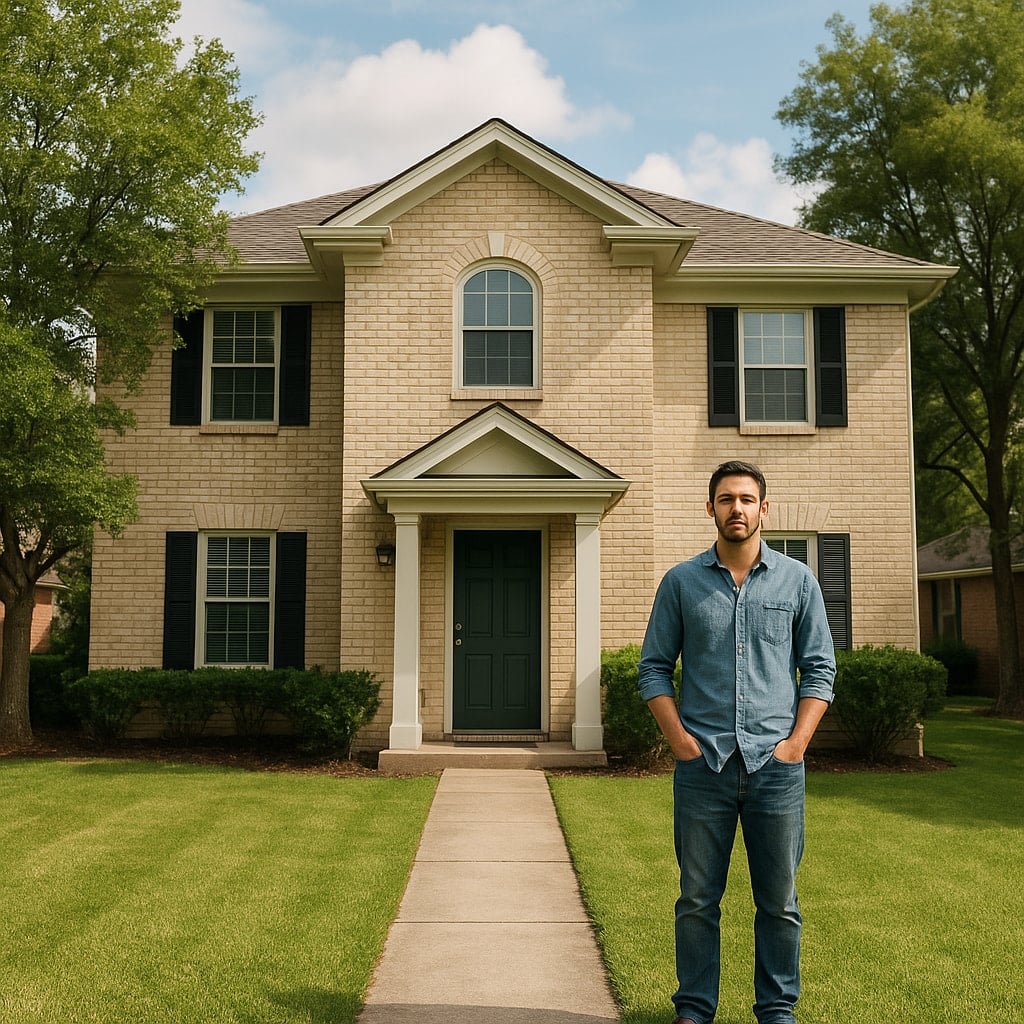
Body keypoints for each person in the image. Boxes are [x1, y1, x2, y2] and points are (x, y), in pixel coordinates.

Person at [638, 460, 835, 1024]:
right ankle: (695, 1009)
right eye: (726, 500)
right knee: (698, 901)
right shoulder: (681, 582)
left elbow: (819, 669)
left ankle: (777, 1011)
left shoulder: (798, 581)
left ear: (764, 509)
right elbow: (653, 668)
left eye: (747, 499)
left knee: (779, 903)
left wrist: (796, 744)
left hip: (777, 767)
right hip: (705, 767)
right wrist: (678, 741)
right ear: (711, 509)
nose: (737, 509)